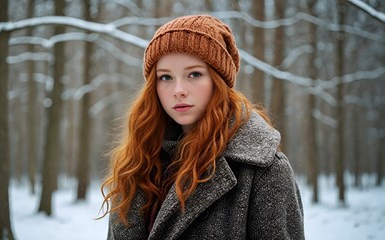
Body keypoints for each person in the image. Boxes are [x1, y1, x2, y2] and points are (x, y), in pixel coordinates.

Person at [100, 14, 305, 240]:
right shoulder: (138, 162)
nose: (178, 90)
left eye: (194, 74)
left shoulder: (265, 170)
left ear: (218, 80)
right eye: (165, 77)